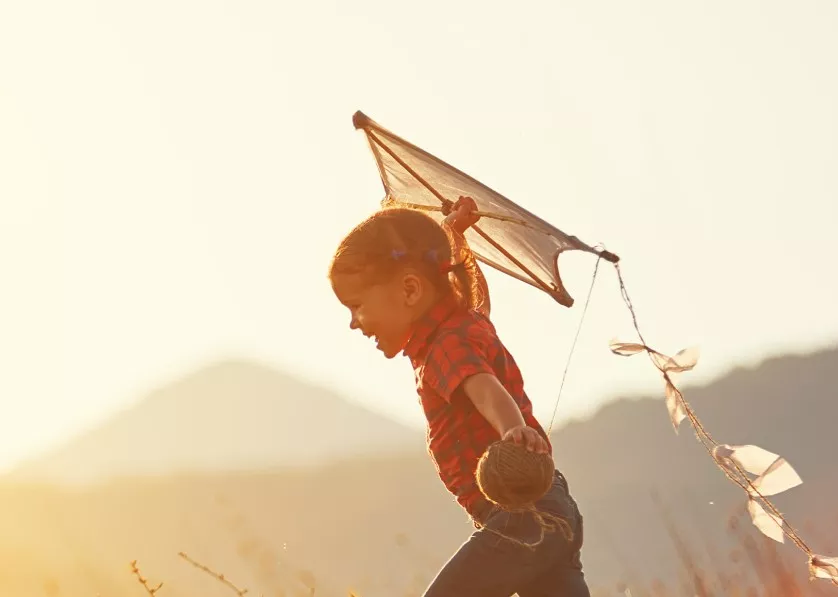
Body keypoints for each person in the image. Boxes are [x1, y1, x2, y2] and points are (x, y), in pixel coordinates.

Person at [328, 196, 590, 597]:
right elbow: (468, 288)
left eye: (356, 306)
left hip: (524, 517)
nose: (352, 323)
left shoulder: (445, 347)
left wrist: (513, 431)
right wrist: (453, 234)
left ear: (411, 289)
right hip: (553, 511)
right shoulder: (465, 322)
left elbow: (485, 389)